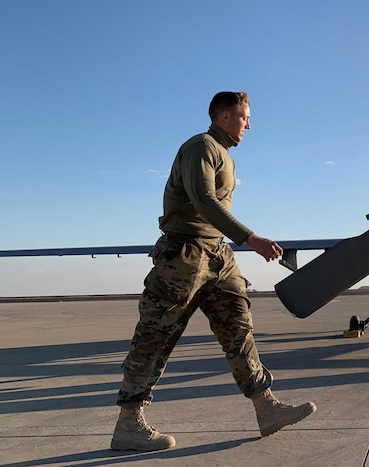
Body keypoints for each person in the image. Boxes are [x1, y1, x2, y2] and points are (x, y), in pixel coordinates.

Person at [110, 91, 316, 451]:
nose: (248, 124)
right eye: (243, 117)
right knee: (155, 337)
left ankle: (266, 408)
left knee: (239, 328)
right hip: (184, 255)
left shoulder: (225, 156)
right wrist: (250, 237)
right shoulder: (201, 147)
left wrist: (232, 243)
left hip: (218, 255)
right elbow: (204, 199)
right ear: (223, 116)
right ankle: (129, 423)